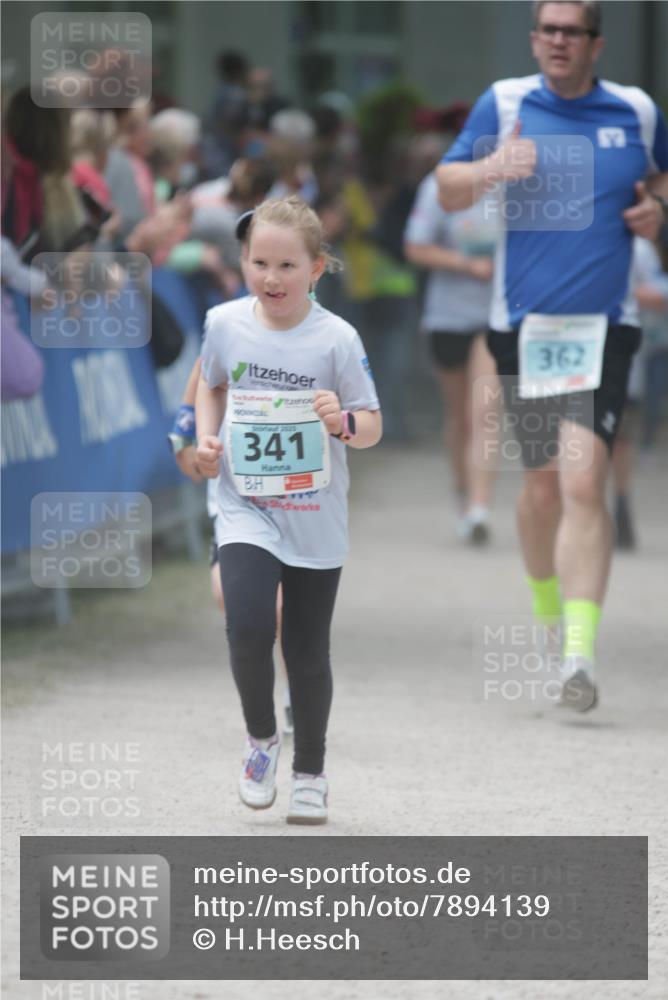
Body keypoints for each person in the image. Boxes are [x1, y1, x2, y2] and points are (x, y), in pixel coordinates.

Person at [437, 0, 668, 710]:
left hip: (605, 327)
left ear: (596, 44)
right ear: (535, 40)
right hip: (526, 329)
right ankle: (548, 616)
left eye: (574, 31)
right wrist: (493, 166)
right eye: (549, 30)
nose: (560, 40)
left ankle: (579, 655)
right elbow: (447, 190)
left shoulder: (636, 111)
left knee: (582, 483)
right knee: (541, 490)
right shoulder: (505, 103)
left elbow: (662, 178)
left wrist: (658, 210)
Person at [195, 196, 382, 823]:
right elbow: (211, 384)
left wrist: (343, 421)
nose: (271, 278)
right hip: (246, 507)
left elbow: (373, 425)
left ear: (316, 268)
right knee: (248, 625)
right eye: (259, 264)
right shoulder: (224, 323)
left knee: (305, 650)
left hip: (314, 514)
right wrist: (206, 439)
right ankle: (260, 740)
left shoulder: (337, 338)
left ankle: (310, 773)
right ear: (243, 262)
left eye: (286, 266)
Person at [405, 151, 499, 544]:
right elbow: (415, 247)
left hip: (495, 317)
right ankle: (462, 491)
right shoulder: (437, 188)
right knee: (459, 415)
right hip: (448, 317)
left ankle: (479, 506)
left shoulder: (518, 189)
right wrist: (467, 264)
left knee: (485, 411)